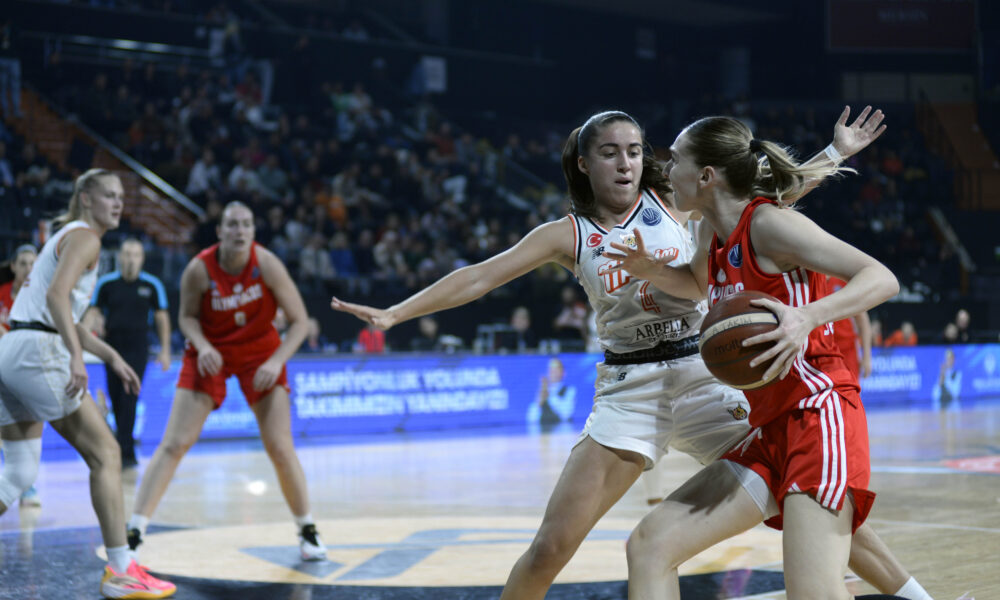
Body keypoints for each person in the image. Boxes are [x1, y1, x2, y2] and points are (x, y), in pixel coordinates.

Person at [332, 109, 931, 600]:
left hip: (705, 373)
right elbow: (480, 277)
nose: (627, 162)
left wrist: (833, 155)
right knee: (553, 547)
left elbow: (759, 200)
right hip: (631, 388)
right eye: (611, 152)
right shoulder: (569, 234)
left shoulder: (680, 203)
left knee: (812, 493)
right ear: (584, 163)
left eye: (637, 151)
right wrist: (396, 312)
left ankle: (912, 594)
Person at [613, 115, 921, 599]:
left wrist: (807, 316)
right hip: (769, 430)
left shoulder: (771, 225)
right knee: (650, 546)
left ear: (706, 176)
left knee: (814, 593)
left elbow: (881, 278)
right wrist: (648, 269)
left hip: (817, 415)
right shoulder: (711, 236)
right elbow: (695, 284)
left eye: (675, 160)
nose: (665, 169)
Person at [0, 169, 175, 598]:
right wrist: (77, 357)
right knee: (107, 453)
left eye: (121, 197)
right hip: (38, 351)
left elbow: (63, 312)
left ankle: (122, 567)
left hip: (12, 350)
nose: (118, 204)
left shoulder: (67, 237)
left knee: (20, 471)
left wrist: (109, 355)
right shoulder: (86, 238)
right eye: (109, 195)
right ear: (86, 198)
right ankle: (121, 570)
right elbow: (55, 298)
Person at [127, 201, 327, 562]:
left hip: (261, 354)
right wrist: (203, 346)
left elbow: (300, 322)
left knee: (280, 446)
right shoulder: (199, 269)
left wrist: (276, 361)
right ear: (219, 231)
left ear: (254, 231)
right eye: (232, 224)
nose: (240, 231)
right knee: (175, 443)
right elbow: (186, 317)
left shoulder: (267, 264)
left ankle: (307, 529)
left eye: (246, 224)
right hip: (211, 353)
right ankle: (135, 531)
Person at [83, 238, 171, 469]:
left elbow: (162, 317)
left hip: (138, 348)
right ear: (120, 257)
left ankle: (125, 452)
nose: (131, 259)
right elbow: (93, 311)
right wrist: (82, 336)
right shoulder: (106, 284)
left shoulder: (152, 285)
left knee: (130, 395)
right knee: (116, 396)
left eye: (136, 254)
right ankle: (122, 446)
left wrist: (165, 350)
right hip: (112, 347)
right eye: (127, 254)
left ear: (142, 258)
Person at [0, 244, 42, 506]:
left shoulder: (40, 296)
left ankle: (27, 486)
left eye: (33, 263)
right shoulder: (2, 293)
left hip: (27, 370)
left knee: (28, 427)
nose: (28, 269)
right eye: (24, 263)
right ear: (13, 266)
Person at [827, 276, 873, 381]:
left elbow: (863, 322)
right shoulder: (811, 281)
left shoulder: (842, 280)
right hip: (822, 350)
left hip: (847, 350)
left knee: (851, 388)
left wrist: (867, 356)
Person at [526, 357, 576, 429]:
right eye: (551, 369)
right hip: (544, 432)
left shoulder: (569, 390)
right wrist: (539, 402)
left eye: (556, 369)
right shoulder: (543, 390)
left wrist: (549, 394)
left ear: (563, 372)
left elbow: (565, 415)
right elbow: (531, 418)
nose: (553, 372)